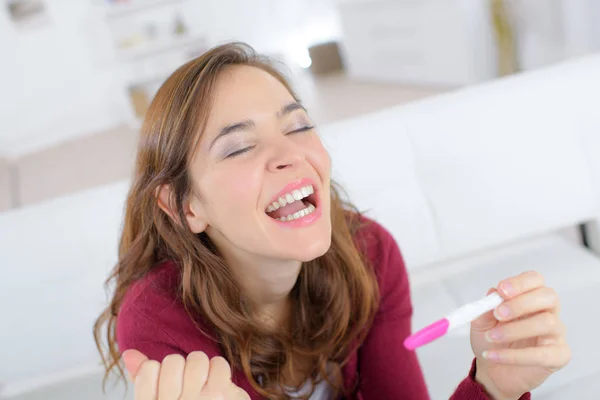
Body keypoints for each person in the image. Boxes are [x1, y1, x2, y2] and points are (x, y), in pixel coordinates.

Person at [94, 43, 571, 400]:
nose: (289, 154)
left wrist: (493, 387)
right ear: (184, 207)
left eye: (298, 125)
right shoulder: (157, 322)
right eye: (239, 147)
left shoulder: (370, 253)